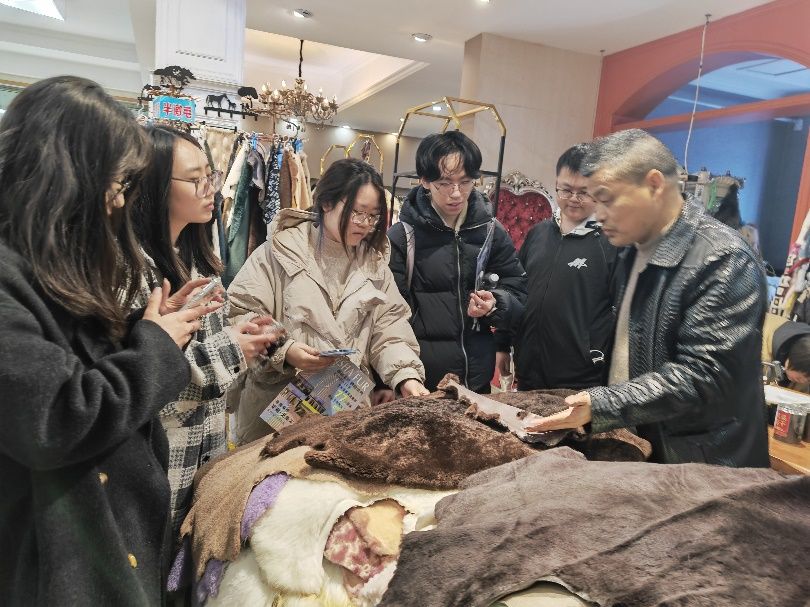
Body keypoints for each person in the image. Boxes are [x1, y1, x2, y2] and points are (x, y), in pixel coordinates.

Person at [0, 76, 214, 605]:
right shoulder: (12, 277)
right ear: (68, 175)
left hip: (95, 541)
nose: (118, 203)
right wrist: (155, 344)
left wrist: (143, 332)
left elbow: (76, 375)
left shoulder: (48, 266)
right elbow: (55, 417)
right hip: (58, 559)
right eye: (115, 184)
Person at [527, 129, 770, 468]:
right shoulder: (632, 250)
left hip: (697, 463)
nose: (599, 214)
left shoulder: (722, 259)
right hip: (641, 446)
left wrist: (604, 404)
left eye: (607, 199)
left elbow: (705, 375)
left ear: (654, 184)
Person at [129, 125, 279, 537]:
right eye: (195, 179)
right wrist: (232, 349)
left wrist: (241, 336)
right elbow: (143, 387)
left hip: (203, 453)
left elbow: (198, 351)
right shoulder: (133, 273)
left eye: (210, 175)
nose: (210, 188)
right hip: (161, 461)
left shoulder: (196, 260)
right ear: (154, 186)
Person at [227, 158, 429, 444]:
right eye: (357, 212)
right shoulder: (280, 251)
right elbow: (243, 312)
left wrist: (406, 376)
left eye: (373, 216)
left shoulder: (374, 265)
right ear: (326, 203)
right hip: (275, 411)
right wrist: (286, 350)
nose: (365, 224)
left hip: (344, 409)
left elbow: (390, 330)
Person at [388, 131, 527, 392]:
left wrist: (495, 303)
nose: (456, 193)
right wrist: (391, 380)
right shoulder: (402, 237)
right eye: (445, 183)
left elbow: (518, 292)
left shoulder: (491, 232)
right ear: (424, 181)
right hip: (419, 383)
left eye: (465, 182)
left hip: (477, 380)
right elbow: (387, 318)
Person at [495, 144, 617, 390]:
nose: (573, 199)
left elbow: (621, 313)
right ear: (557, 184)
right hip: (528, 368)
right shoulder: (538, 234)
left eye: (584, 192)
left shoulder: (611, 242)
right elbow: (516, 291)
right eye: (566, 190)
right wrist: (502, 344)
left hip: (582, 377)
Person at [761, 312, 810, 391]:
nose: (803, 381)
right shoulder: (758, 350)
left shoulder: (802, 339)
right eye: (799, 378)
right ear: (790, 362)